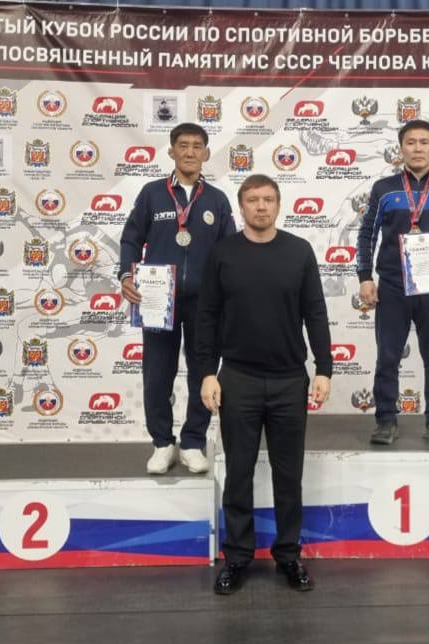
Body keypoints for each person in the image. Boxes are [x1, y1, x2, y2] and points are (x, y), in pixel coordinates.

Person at [196, 174, 332, 595]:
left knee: (288, 476)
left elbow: (315, 312)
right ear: (241, 207)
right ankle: (237, 558)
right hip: (238, 379)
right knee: (238, 473)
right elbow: (206, 317)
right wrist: (207, 373)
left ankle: (289, 556)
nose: (261, 206)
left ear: (278, 205)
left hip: (290, 380)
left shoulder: (299, 251)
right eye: (253, 200)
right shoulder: (223, 253)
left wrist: (324, 368)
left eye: (268, 199)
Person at [119, 123, 235, 475]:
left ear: (206, 153)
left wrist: (231, 292)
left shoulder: (216, 199)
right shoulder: (152, 194)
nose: (189, 152)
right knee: (157, 375)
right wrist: (126, 275)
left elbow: (229, 251)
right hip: (158, 300)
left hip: (205, 303)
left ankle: (193, 442)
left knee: (203, 372)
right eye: (182, 145)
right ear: (171, 151)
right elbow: (130, 238)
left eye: (197, 146)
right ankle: (162, 444)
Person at [357, 119, 429, 446]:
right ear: (401, 148)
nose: (418, 148)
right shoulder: (384, 188)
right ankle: (385, 421)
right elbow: (367, 234)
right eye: (411, 142)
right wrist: (365, 277)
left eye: (424, 142)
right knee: (388, 356)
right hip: (393, 286)